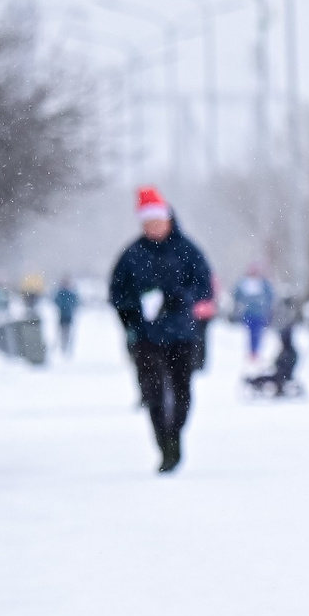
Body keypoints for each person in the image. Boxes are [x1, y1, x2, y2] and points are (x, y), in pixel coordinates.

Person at [108, 187, 216, 472]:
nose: (154, 227)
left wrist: (178, 298)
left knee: (182, 391)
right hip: (147, 337)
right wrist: (135, 309)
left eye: (157, 221)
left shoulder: (188, 251)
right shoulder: (131, 255)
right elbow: (117, 294)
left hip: (182, 334)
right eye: (148, 223)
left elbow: (204, 287)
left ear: (168, 220)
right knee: (154, 392)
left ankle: (175, 434)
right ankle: (163, 444)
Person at [232, 266, 275, 360]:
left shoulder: (263, 283)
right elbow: (236, 294)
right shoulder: (245, 283)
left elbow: (271, 296)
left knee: (257, 333)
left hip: (260, 314)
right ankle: (251, 352)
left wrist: (267, 307)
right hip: (248, 313)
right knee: (250, 333)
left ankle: (255, 352)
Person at [52, 275, 80, 358]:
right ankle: (62, 348)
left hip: (69, 316)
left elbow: (76, 302)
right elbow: (56, 301)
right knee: (61, 332)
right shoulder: (61, 293)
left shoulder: (71, 293)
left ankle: (68, 348)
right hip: (62, 315)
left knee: (68, 333)